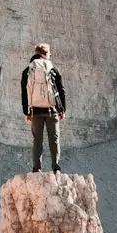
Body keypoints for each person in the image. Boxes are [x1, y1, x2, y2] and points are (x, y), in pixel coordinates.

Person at [20, 42, 67, 172]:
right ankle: (56, 167)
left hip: (35, 111)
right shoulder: (52, 68)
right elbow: (61, 90)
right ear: (46, 54)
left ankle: (36, 168)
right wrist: (62, 109)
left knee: (37, 140)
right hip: (52, 110)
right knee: (54, 139)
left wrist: (27, 112)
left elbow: (24, 92)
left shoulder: (28, 70)